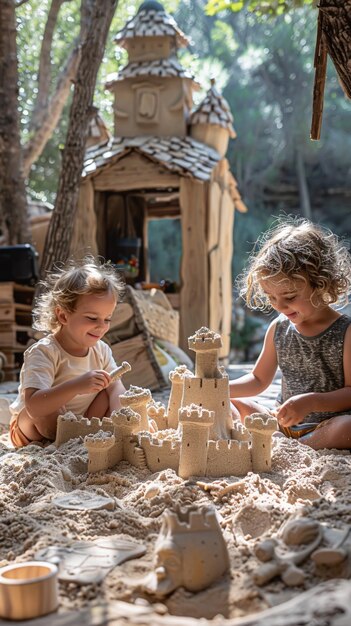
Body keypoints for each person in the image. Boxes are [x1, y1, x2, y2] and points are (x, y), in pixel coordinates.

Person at [230, 218, 351, 450]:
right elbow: (257, 380)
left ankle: (298, 446)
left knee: (347, 427)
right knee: (228, 403)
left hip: (327, 426)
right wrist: (218, 386)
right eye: (271, 297)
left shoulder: (345, 332)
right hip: (280, 422)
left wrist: (311, 402)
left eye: (289, 297)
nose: (279, 306)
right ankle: (275, 440)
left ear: (321, 283)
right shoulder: (279, 327)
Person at [10, 257, 126, 448]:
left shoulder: (101, 350)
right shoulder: (44, 351)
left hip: (81, 423)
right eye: (92, 318)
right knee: (49, 409)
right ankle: (65, 442)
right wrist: (76, 386)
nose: (101, 326)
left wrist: (120, 417)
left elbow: (117, 389)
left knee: (111, 390)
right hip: (33, 430)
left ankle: (82, 438)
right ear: (63, 315)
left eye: (107, 319)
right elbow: (34, 405)